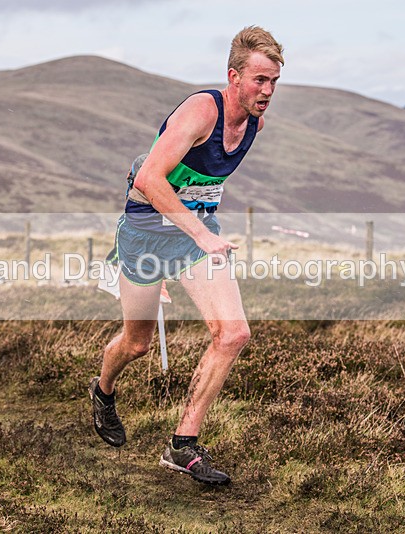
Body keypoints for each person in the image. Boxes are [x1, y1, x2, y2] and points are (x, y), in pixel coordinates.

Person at [89, 26, 284, 485]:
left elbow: (202, 178)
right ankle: (102, 390)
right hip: (145, 234)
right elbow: (149, 181)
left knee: (233, 334)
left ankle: (183, 445)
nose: (267, 91)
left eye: (274, 81)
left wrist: (202, 231)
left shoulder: (255, 122)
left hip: (195, 237)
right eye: (259, 79)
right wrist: (201, 231)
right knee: (136, 344)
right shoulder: (201, 111)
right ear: (233, 76)